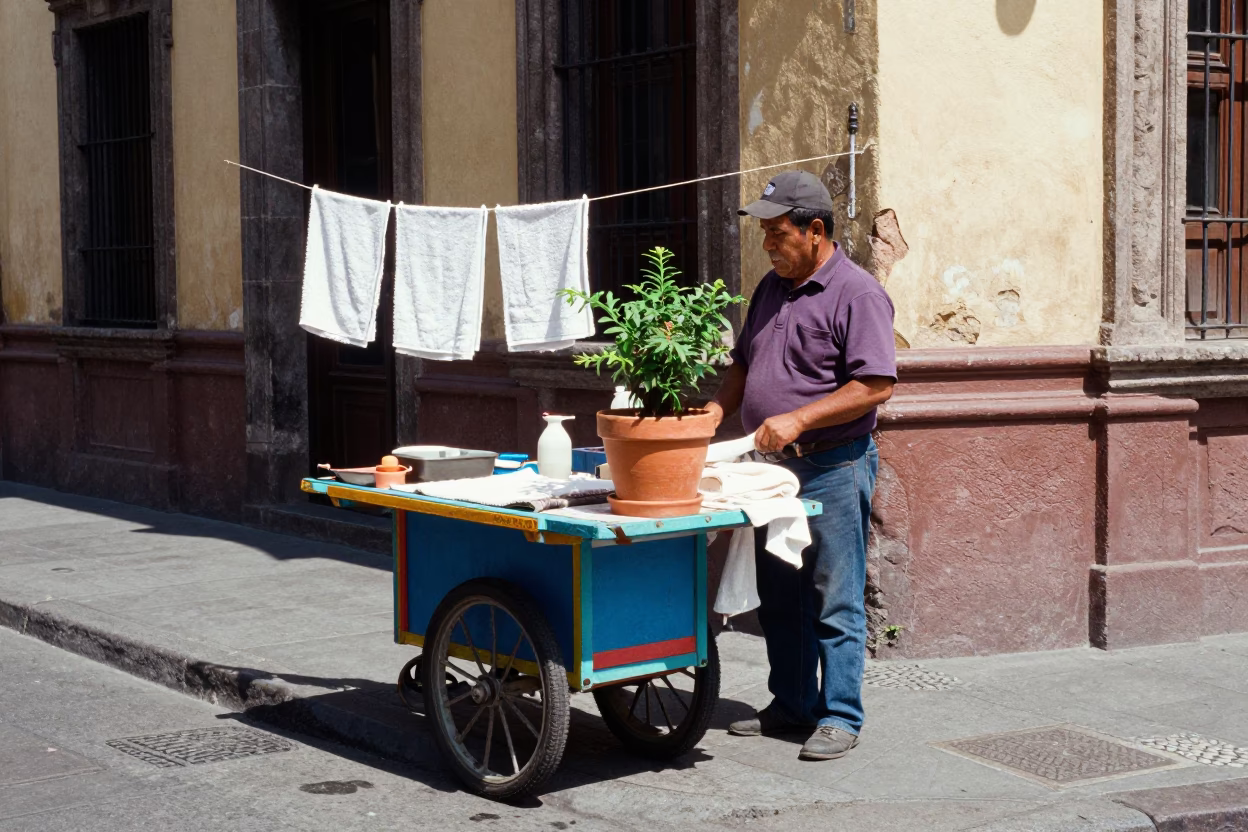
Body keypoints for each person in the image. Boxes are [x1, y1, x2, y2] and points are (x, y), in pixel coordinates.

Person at [705, 171, 897, 762]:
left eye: (776, 233)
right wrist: (714, 411)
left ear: (815, 231)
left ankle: (840, 714)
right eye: (764, 232)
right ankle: (791, 703)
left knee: (834, 595)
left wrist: (799, 420)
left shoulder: (857, 293)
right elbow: (743, 363)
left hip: (832, 466)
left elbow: (875, 384)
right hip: (770, 473)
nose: (767, 244)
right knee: (780, 593)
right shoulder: (771, 288)